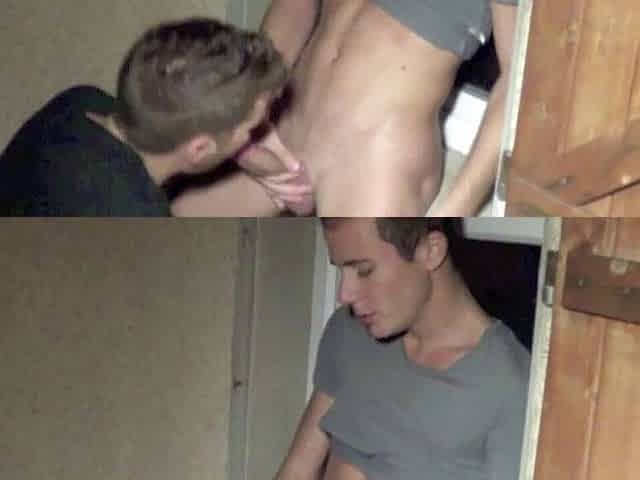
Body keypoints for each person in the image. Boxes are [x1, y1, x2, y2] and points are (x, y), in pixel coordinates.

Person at [171, 0, 518, 217]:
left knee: (372, 278)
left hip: (378, 156)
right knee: (165, 210)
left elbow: (519, 81)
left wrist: (457, 210)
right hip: (288, 127)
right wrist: (251, 108)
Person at [275, 218, 530, 480]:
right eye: (342, 270)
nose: (345, 294)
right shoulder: (350, 331)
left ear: (431, 251)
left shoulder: (511, 384)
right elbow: (297, 470)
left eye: (364, 270)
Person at [0, 17, 309, 216]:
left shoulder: (79, 102)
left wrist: (241, 151)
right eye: (252, 129)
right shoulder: (132, 211)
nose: (257, 135)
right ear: (199, 149)